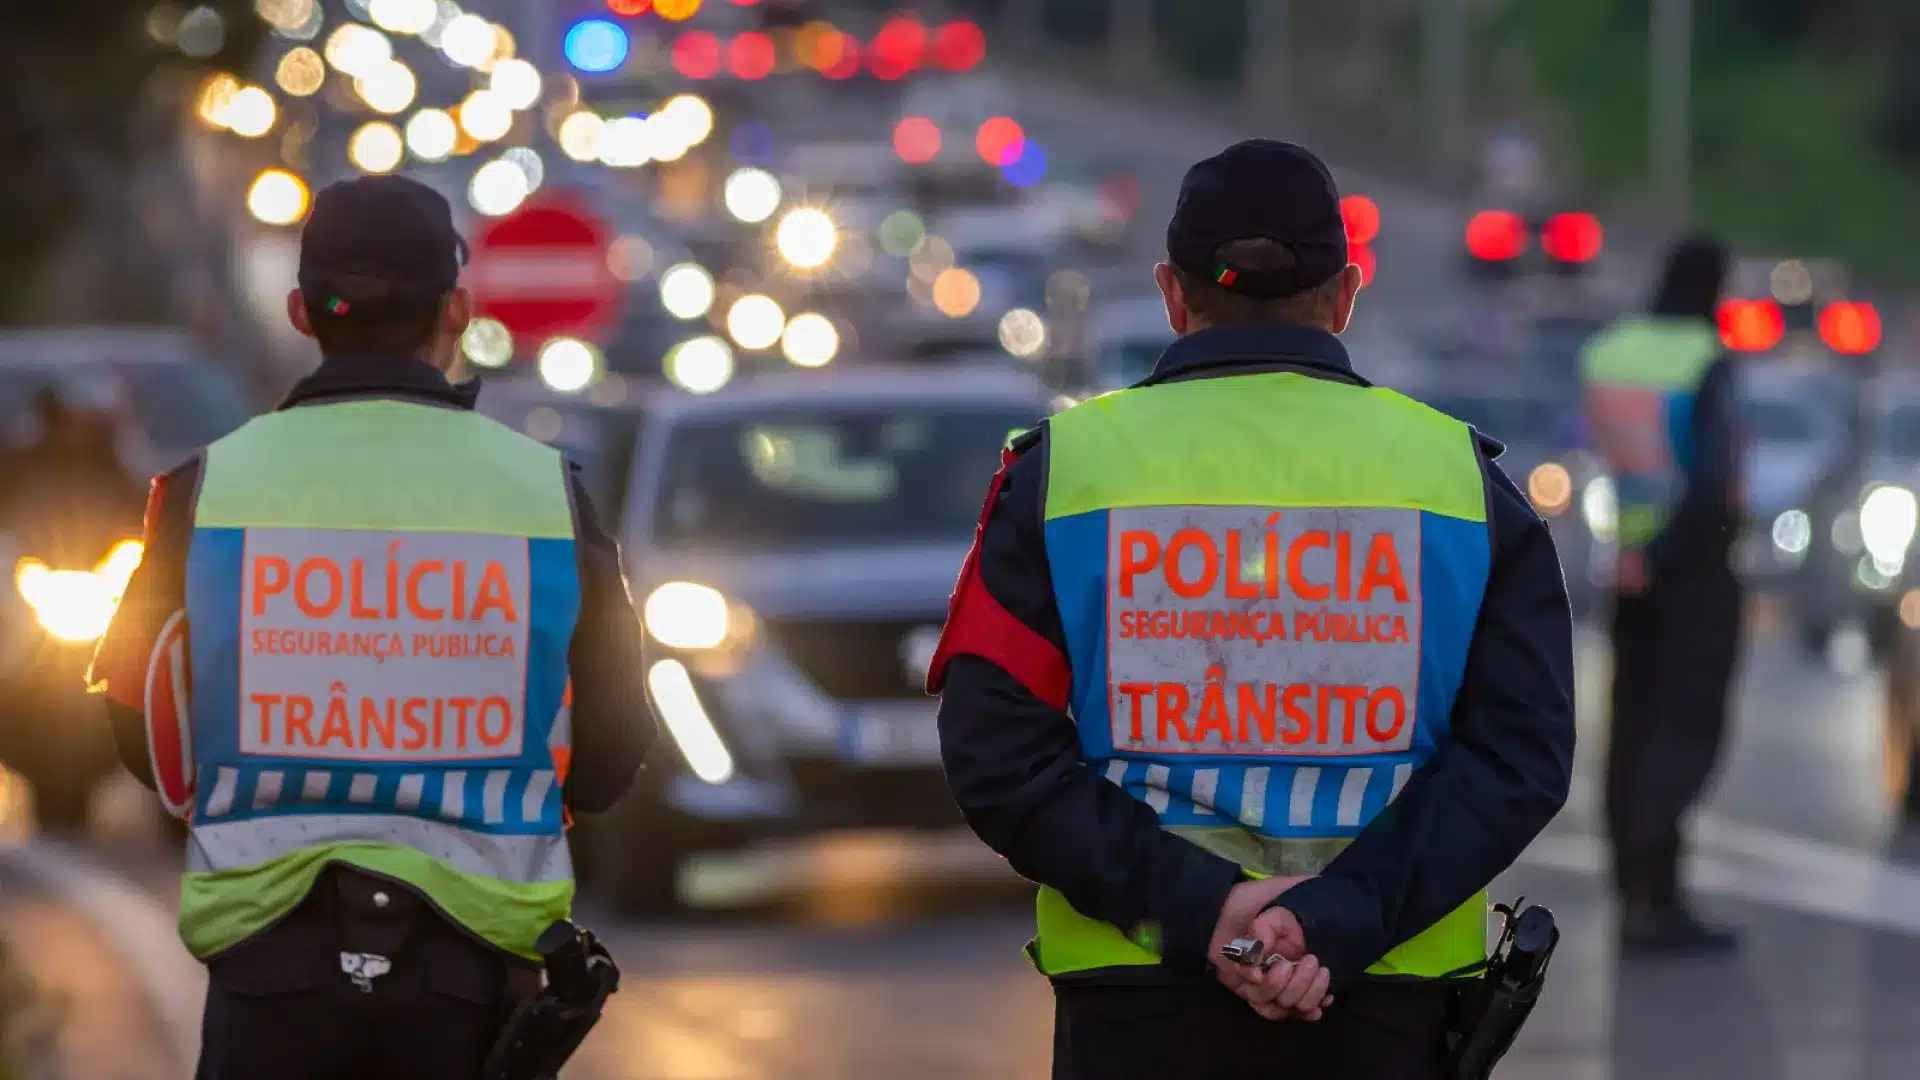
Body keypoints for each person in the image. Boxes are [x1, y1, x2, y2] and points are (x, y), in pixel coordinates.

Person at [929, 139, 1576, 1080]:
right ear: (1347, 293)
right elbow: (1521, 755)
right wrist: (1338, 916)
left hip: (1141, 996)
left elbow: (996, 756)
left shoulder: (1062, 474)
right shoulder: (1462, 485)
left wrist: (1203, 911)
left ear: (1171, 294)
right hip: (1382, 999)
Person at [86, 175, 657, 1079]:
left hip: (264, 980)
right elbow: (616, 751)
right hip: (474, 983)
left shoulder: (204, 489)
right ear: (459, 310)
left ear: (300, 313)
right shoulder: (546, 493)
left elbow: (142, 729)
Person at [1582, 236, 1743, 955]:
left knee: (1632, 729)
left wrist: (1634, 553)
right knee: (1683, 732)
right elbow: (1711, 486)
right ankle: (1655, 896)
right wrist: (1673, 552)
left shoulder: (1612, 351)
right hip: (1690, 573)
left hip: (1628, 568)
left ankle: (1640, 888)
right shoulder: (1702, 359)